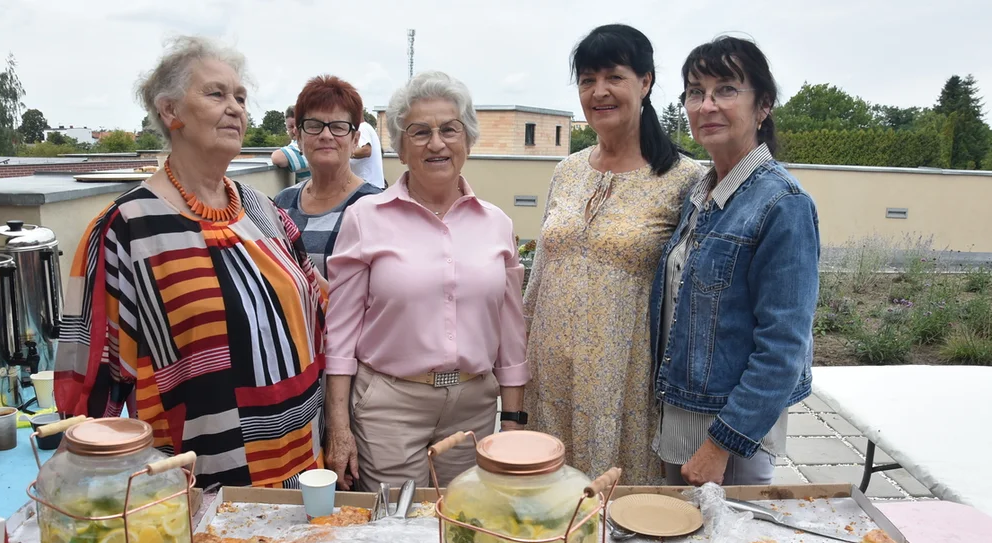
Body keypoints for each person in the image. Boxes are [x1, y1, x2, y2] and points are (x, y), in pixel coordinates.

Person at [55, 36, 326, 488]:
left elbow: (318, 313)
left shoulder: (268, 212)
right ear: (170, 112)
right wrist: (86, 487)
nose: (236, 107)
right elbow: (89, 382)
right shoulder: (126, 229)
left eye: (241, 97)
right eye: (217, 94)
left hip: (302, 473)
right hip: (199, 487)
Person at [325, 70, 529, 491]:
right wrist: (339, 427)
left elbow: (511, 334)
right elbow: (340, 335)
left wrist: (511, 422)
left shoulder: (497, 224)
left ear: (467, 139)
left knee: (466, 526)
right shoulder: (365, 218)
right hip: (389, 406)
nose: (436, 143)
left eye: (449, 130)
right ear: (400, 146)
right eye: (419, 132)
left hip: (474, 406)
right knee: (397, 536)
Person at [522, 24, 702, 484]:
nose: (599, 92)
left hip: (622, 380)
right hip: (549, 373)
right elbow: (539, 272)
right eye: (587, 80)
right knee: (548, 503)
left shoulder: (685, 179)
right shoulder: (566, 171)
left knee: (617, 518)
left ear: (645, 82)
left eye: (613, 77)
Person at [650, 36, 820, 486]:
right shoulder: (701, 193)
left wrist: (720, 444)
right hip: (681, 417)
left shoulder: (783, 203)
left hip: (731, 439)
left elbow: (784, 348)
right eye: (694, 91)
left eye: (726, 89)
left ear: (763, 105)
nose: (706, 105)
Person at [274, 77, 383, 275]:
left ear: (354, 140)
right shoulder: (282, 203)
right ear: (298, 138)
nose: (326, 135)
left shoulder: (378, 207)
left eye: (338, 126)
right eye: (314, 125)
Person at [270, 106, 311, 183]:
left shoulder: (307, 145)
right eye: (290, 127)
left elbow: (277, 158)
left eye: (298, 125)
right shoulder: (295, 145)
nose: (294, 130)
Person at [351, 119, 385, 187]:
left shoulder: (361, 127)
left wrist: (345, 153)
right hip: (370, 186)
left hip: (367, 186)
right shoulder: (365, 127)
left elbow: (366, 150)